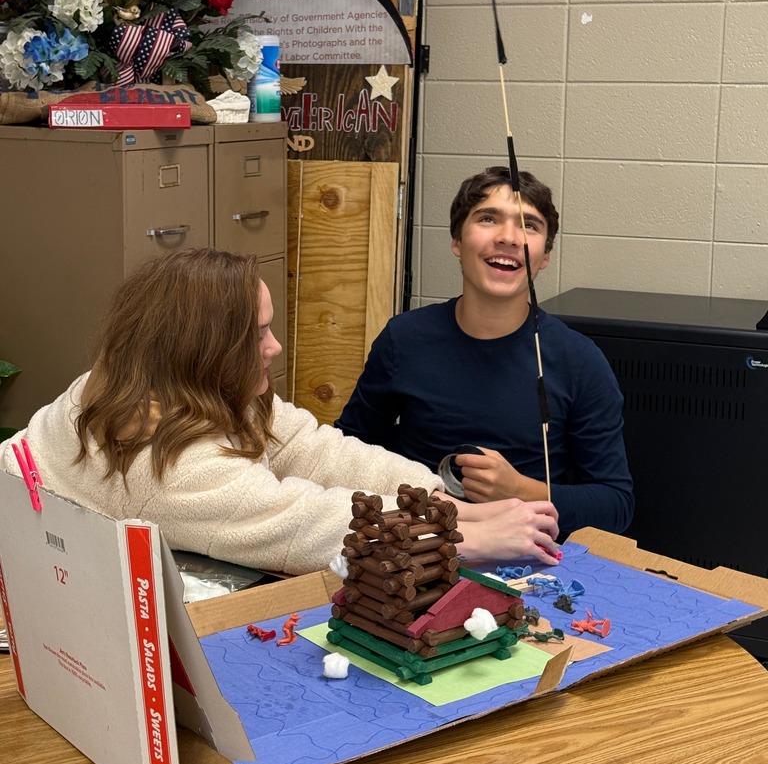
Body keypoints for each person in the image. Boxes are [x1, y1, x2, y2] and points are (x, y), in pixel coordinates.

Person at [0, 246, 561, 575]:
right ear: (204, 351)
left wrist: (438, 499)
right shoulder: (158, 459)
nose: (275, 347)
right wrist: (459, 533)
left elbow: (312, 449)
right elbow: (301, 523)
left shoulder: (165, 378)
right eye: (258, 334)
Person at [337, 166, 634, 538]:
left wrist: (520, 490)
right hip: (416, 546)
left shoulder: (579, 361)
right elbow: (345, 455)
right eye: (488, 219)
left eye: (529, 225)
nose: (508, 237)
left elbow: (616, 505)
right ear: (457, 241)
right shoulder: (404, 338)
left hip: (528, 556)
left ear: (544, 256)